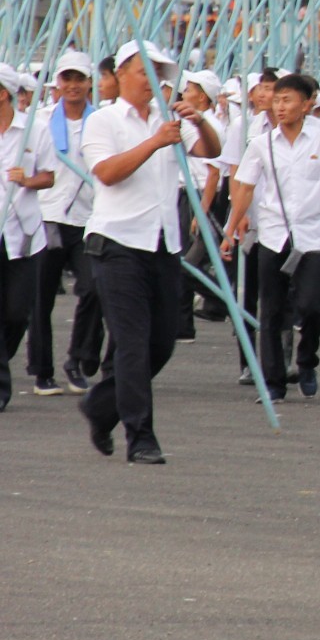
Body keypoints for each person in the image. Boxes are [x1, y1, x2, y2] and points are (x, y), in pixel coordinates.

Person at [79, 40, 221, 463]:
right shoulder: (103, 120)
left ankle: (102, 407)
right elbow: (107, 173)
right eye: (145, 72)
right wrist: (156, 142)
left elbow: (210, 151)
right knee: (133, 342)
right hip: (117, 242)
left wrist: (202, 121)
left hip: (162, 242)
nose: (154, 81)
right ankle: (141, 436)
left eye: (159, 73)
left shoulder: (170, 117)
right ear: (121, 74)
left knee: (161, 344)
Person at [222, 72, 320, 402]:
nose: (280, 106)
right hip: (272, 233)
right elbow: (244, 187)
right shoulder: (261, 143)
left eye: (287, 100)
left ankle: (307, 360)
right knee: (271, 310)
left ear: (307, 104)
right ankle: (274, 382)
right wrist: (231, 228)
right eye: (277, 100)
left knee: (310, 307)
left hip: (311, 235)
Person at [31, 50, 97, 396]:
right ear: (58, 83)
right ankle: (42, 370)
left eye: (79, 79)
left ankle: (78, 358)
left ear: (89, 83)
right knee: (41, 298)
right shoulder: (40, 120)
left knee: (92, 288)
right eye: (66, 79)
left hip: (88, 220)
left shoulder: (100, 120)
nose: (72, 85)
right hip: (48, 218)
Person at [1, 65, 56, 411]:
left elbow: (49, 177)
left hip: (23, 235)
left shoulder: (34, 130)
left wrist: (28, 181)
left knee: (17, 313)